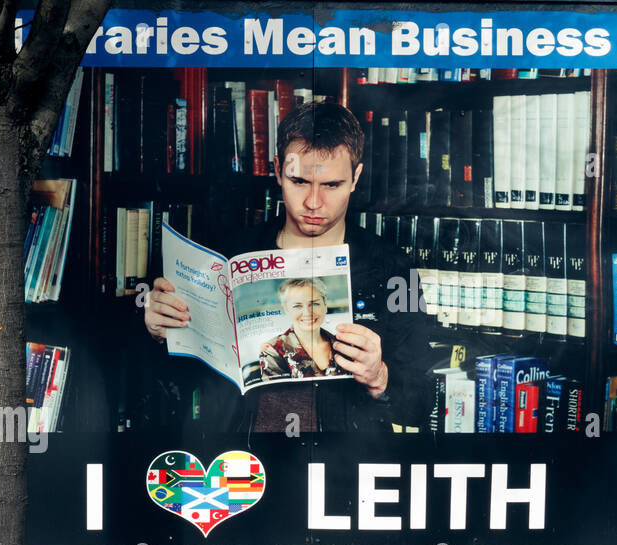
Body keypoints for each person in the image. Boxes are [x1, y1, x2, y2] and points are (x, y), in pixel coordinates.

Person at [144, 100, 432, 433]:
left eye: (331, 185)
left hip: (343, 467)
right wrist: (157, 332)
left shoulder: (392, 268)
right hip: (241, 457)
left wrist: (380, 377)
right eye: (299, 181)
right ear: (278, 170)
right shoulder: (225, 257)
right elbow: (174, 382)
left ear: (356, 177)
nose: (313, 202)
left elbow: (422, 402)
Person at [258, 277, 350, 380]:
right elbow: (275, 395)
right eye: (297, 306)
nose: (307, 313)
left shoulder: (344, 345)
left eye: (314, 304)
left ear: (325, 305)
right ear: (287, 310)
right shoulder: (272, 350)